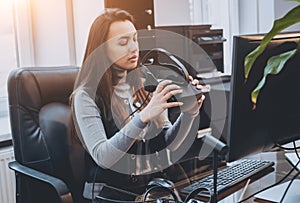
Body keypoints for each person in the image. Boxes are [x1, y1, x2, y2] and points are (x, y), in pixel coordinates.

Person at [70, 8, 206, 202]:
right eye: (123, 42)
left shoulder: (143, 83)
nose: (133, 48)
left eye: (135, 39)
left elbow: (169, 143)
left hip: (149, 190)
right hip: (111, 194)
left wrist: (189, 113)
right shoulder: (85, 96)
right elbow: (103, 157)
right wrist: (143, 117)